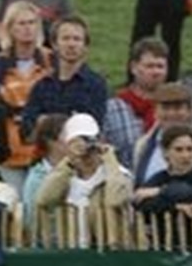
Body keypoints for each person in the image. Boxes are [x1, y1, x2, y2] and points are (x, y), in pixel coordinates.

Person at [34, 113, 133, 247]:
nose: (86, 151)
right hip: (74, 248)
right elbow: (43, 200)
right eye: (76, 142)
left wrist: (109, 158)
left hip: (109, 249)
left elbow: (115, 200)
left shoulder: (118, 174)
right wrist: (68, 161)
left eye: (89, 141)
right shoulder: (65, 175)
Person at [0, 1, 54, 192]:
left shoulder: (51, 60)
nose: (27, 28)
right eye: (22, 23)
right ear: (10, 28)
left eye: (32, 22)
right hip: (11, 150)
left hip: (44, 150)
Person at [20, 15, 108, 139]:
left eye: (77, 39)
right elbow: (26, 129)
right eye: (65, 38)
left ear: (85, 46)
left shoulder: (95, 84)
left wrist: (47, 122)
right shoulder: (42, 86)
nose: (71, 44)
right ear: (55, 44)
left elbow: (93, 127)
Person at [133, 125, 192, 222]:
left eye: (190, 149)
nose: (185, 155)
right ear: (165, 152)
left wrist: (160, 191)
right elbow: (140, 203)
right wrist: (175, 207)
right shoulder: (158, 178)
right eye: (178, 150)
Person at [103, 38, 170, 170]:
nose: (156, 72)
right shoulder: (112, 107)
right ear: (134, 68)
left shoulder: (174, 107)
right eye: (149, 66)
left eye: (160, 66)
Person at [21, 113, 67, 240]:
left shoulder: (82, 171)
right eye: (68, 134)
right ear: (51, 141)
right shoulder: (36, 178)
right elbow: (32, 220)